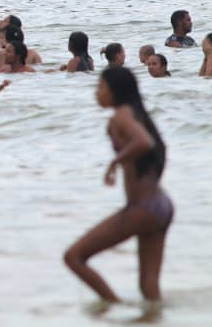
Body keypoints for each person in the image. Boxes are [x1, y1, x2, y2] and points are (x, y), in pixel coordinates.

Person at [64, 67, 172, 303]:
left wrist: (115, 161)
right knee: (148, 287)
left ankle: (115, 308)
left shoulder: (121, 115)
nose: (97, 93)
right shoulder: (136, 112)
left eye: (100, 87)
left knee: (73, 257)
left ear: (115, 91)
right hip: (161, 205)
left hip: (143, 208)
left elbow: (144, 141)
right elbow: (153, 144)